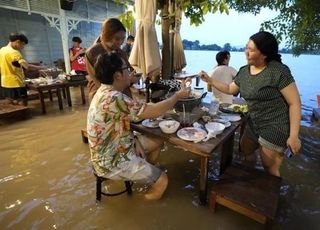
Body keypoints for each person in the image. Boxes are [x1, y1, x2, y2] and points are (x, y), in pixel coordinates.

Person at [87, 52, 190, 200]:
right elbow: (153, 111)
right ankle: (140, 203)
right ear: (117, 75)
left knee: (158, 141)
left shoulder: (104, 92)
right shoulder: (113, 98)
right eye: (127, 69)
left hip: (115, 148)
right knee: (163, 181)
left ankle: (146, 172)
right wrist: (177, 96)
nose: (130, 72)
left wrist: (134, 139)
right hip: (111, 162)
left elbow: (118, 125)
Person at [199, 31, 301, 177]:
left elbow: (295, 103)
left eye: (251, 50)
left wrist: (294, 136)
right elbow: (229, 89)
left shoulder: (278, 72)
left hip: (275, 125)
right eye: (246, 48)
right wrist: (209, 80)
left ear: (264, 54)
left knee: (269, 166)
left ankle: (270, 195)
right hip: (253, 121)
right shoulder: (244, 72)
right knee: (245, 149)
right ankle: (249, 179)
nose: (246, 52)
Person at [85, 18, 139, 102]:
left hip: (122, 93)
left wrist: (132, 78)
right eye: (117, 39)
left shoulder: (121, 53)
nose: (120, 42)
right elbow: (101, 81)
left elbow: (128, 71)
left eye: (123, 38)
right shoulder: (93, 53)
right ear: (107, 36)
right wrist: (127, 80)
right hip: (104, 97)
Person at [0, 33, 45, 105]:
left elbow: (13, 64)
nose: (22, 47)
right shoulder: (14, 52)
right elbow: (27, 66)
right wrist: (40, 67)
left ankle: (15, 116)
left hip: (5, 82)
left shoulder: (2, 50)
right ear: (17, 41)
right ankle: (25, 115)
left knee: (10, 102)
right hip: (16, 82)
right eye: (22, 44)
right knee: (22, 102)